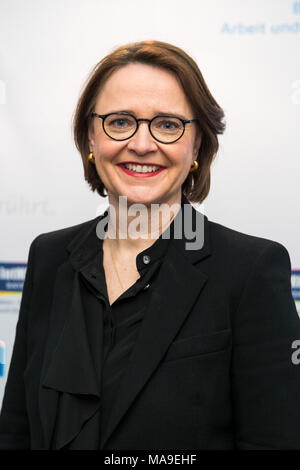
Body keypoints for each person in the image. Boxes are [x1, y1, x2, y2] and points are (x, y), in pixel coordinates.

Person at [0, 40, 300, 450]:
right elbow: (16, 430)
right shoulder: (49, 257)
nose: (141, 144)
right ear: (90, 137)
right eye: (120, 122)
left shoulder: (250, 270)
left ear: (196, 145)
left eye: (167, 124)